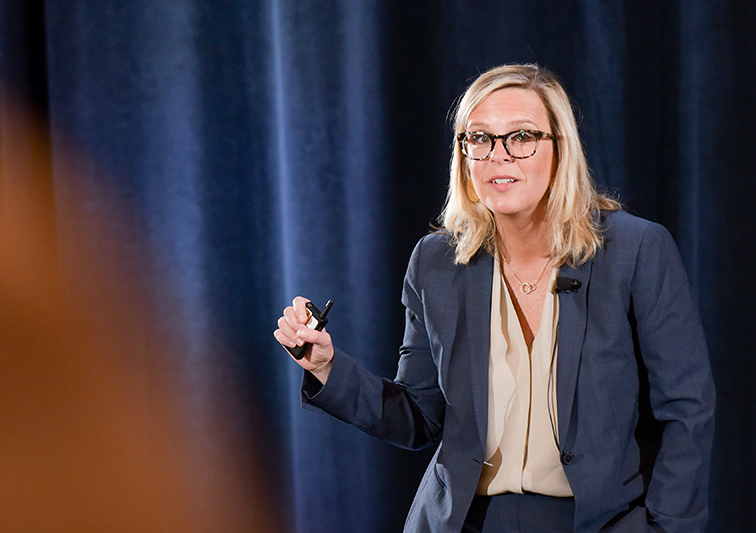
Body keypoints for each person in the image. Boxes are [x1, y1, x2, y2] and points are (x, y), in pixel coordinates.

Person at [274, 64, 715, 533]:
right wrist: (327, 367)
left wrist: (665, 528)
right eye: (479, 138)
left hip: (600, 521)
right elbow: (420, 417)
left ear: (560, 149)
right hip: (466, 521)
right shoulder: (436, 261)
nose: (498, 156)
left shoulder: (636, 250)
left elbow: (687, 410)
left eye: (522, 136)